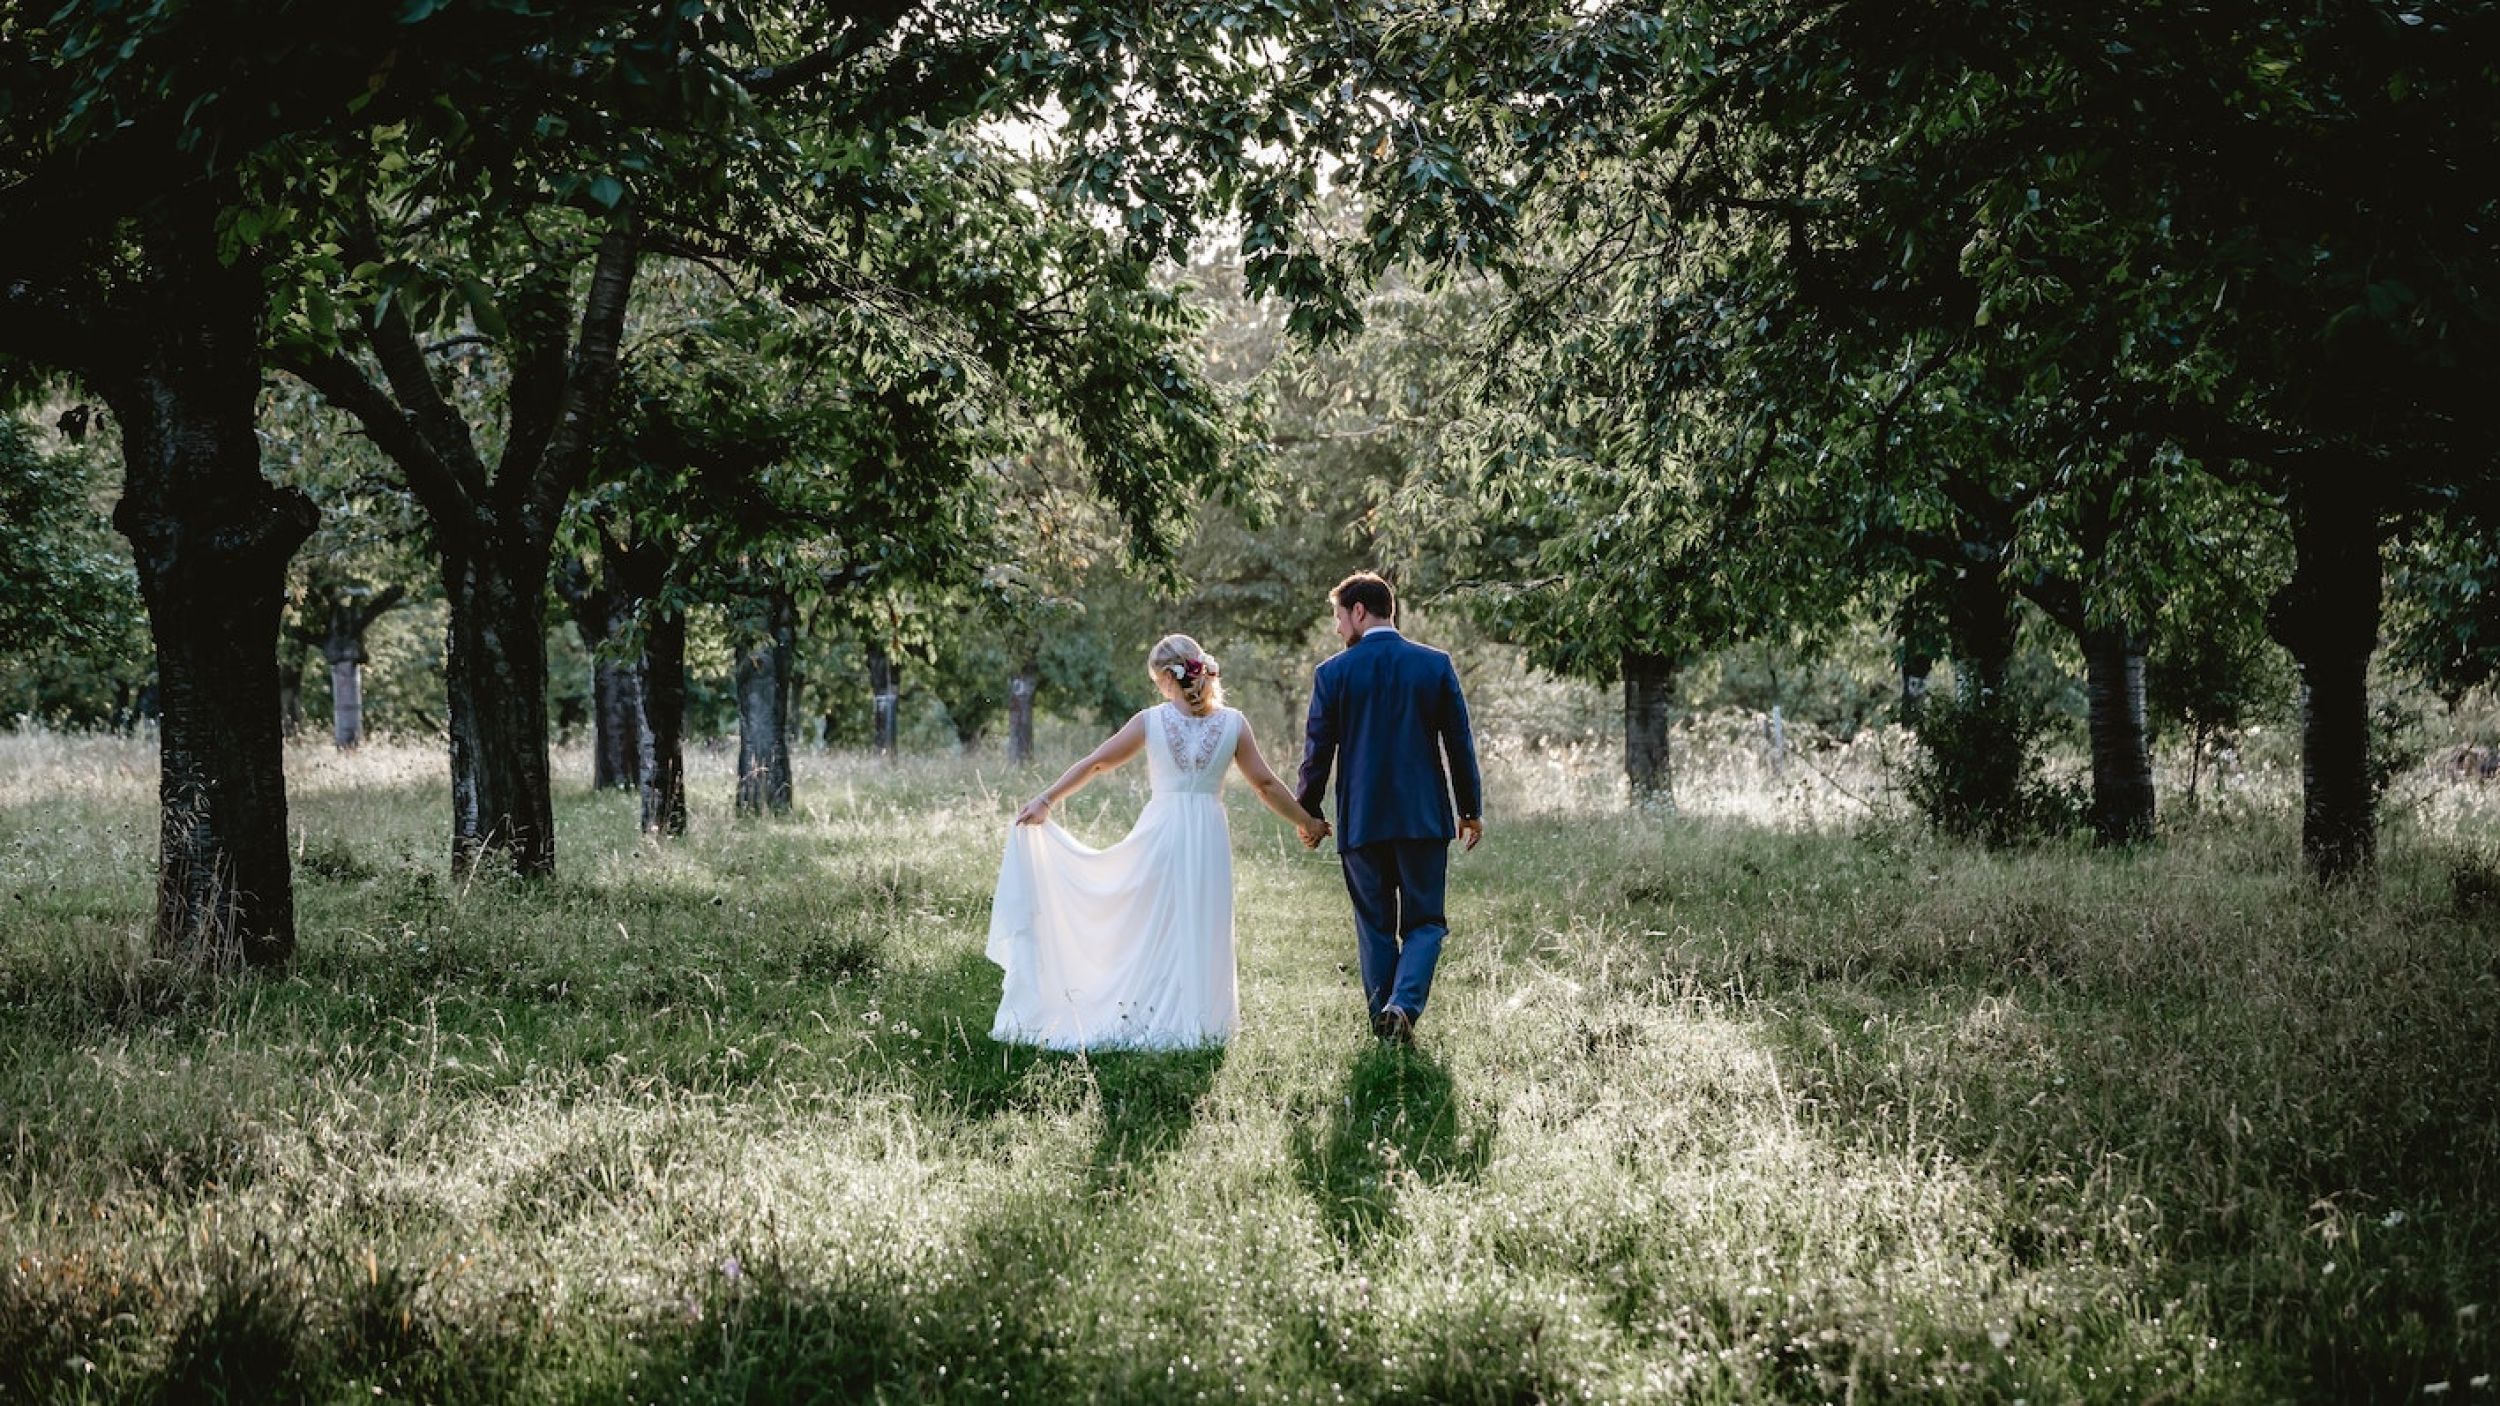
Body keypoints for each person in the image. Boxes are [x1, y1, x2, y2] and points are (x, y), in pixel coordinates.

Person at [986, 634, 1330, 1050]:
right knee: (1202, 920)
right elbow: (1265, 784)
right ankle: (1199, 1023)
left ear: (1169, 677)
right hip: (1207, 834)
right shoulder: (1234, 724)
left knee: (1152, 923)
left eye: (1157, 680)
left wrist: (1047, 798)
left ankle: (1150, 1012)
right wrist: (1307, 820)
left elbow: (1098, 762)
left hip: (1163, 830)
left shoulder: (1150, 721)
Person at [1295, 572, 1483, 1047]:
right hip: (1423, 819)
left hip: (1363, 821)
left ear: (1359, 611)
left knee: (1375, 926)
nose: (1338, 630)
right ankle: (1403, 1007)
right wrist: (1470, 809)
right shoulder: (1434, 665)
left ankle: (1386, 1023)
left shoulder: (1333, 674)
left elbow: (1317, 752)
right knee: (1425, 922)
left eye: (1339, 618)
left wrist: (1308, 815)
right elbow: (1459, 744)